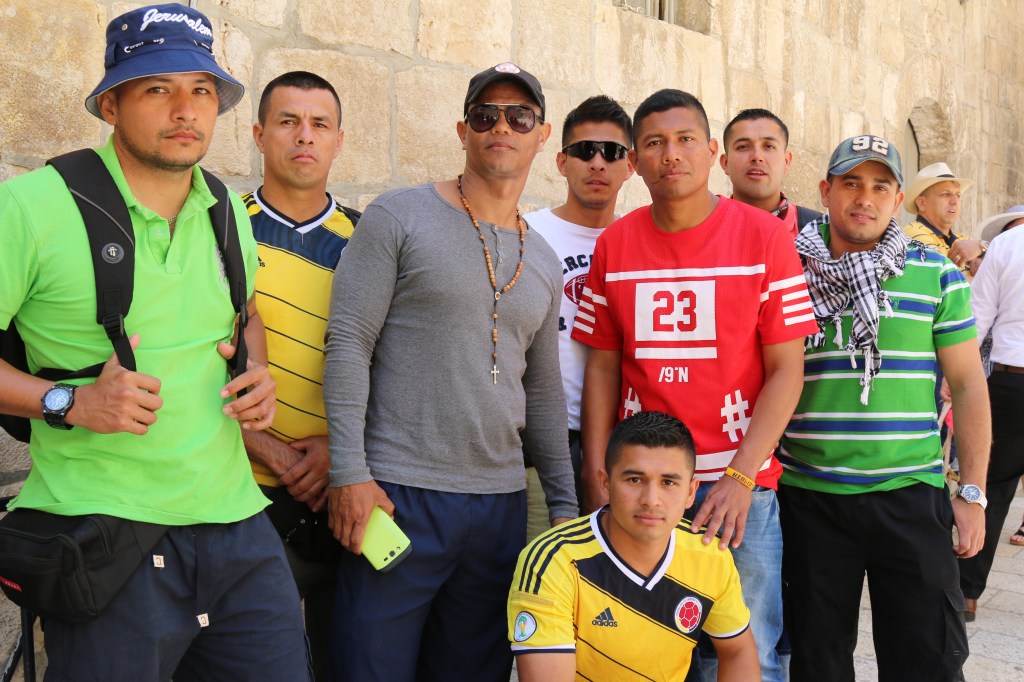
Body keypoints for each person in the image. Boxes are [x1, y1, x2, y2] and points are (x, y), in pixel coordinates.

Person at [0, 5, 310, 680]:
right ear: (110, 103)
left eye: (201, 90)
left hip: (239, 529)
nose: (185, 109)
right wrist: (68, 402)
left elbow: (243, 310)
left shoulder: (225, 208)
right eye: (156, 88)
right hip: (105, 534)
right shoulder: (31, 207)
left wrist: (257, 369)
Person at [322, 62, 578, 682]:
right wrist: (349, 472)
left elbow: (541, 392)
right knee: (368, 669)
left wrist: (566, 509)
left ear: (542, 136)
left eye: (520, 117)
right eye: (486, 115)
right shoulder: (398, 216)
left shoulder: (543, 258)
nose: (502, 127)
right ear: (463, 128)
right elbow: (349, 340)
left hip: (498, 507)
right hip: (396, 493)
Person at [572, 88, 818, 682]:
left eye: (685, 141)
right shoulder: (616, 244)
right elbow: (603, 366)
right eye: (654, 143)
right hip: (644, 488)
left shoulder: (764, 239)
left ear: (711, 152)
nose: (670, 155)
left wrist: (739, 476)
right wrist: (597, 471)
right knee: (642, 650)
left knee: (743, 650)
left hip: (739, 490)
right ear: (636, 160)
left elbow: (788, 370)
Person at [778, 135, 990, 681]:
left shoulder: (937, 275)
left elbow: (967, 385)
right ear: (826, 191)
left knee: (927, 661)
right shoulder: (786, 273)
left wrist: (972, 493)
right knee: (817, 662)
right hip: (810, 499)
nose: (863, 198)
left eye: (880, 186)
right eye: (850, 182)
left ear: (898, 200)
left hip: (911, 499)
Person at [241, 70, 358, 681]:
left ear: (340, 140)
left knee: (344, 664)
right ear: (259, 134)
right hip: (238, 497)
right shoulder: (217, 229)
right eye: (288, 122)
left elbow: (392, 366)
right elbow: (186, 360)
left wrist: (339, 452)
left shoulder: (370, 240)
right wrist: (270, 452)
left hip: (342, 494)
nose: (303, 137)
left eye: (319, 124)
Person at [508, 411, 759, 681]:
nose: (651, 500)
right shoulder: (553, 560)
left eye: (668, 482)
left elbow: (737, 651)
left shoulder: (708, 555)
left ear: (690, 492)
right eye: (634, 480)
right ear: (606, 483)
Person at [522, 94, 635, 536]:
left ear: (631, 165)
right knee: (538, 572)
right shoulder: (526, 232)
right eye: (584, 151)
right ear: (561, 161)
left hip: (620, 443)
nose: (598, 163)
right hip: (537, 440)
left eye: (612, 152)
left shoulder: (639, 242)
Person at [957, 204, 1024, 620]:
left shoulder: (1006, 244)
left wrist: (956, 377)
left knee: (992, 486)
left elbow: (977, 317)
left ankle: (966, 591)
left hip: (1012, 379)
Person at [719, 108, 822, 238]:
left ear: (786, 161)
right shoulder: (705, 229)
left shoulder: (820, 234)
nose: (757, 156)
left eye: (769, 146)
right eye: (743, 146)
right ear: (725, 163)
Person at [903, 161, 987, 274]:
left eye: (957, 195)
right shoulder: (913, 234)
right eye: (945, 194)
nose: (954, 201)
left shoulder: (962, 239)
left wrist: (982, 247)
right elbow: (944, 284)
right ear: (921, 203)